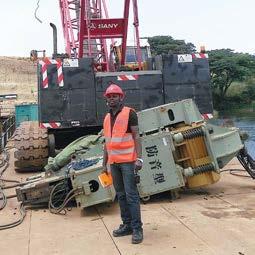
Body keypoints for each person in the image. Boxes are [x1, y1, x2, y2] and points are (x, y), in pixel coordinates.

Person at [102, 83, 143, 244]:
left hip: (128, 162)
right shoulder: (106, 118)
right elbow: (107, 142)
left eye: (115, 96)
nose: (112, 99)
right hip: (114, 163)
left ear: (121, 98)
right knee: (120, 195)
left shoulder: (130, 113)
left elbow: (137, 136)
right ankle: (127, 225)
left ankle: (137, 229)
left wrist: (139, 158)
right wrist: (104, 163)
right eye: (109, 97)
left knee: (131, 195)